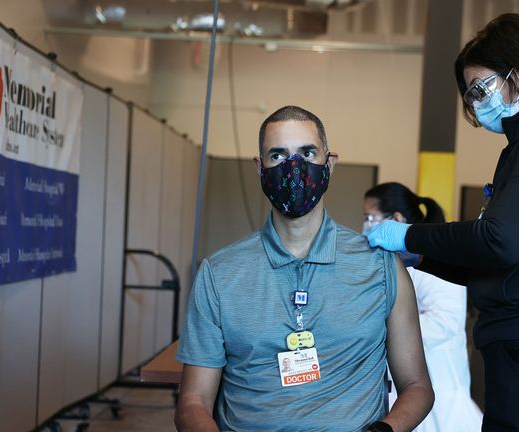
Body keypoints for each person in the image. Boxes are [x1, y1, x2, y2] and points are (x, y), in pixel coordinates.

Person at [366, 13, 519, 431]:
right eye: (470, 96)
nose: (476, 105)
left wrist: (407, 232)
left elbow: (501, 241)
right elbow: (495, 257)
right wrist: (419, 254)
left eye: (480, 88)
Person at [175, 105, 434, 432]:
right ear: (260, 167)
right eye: (278, 156)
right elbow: (193, 402)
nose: (294, 168)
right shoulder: (219, 273)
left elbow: (417, 387)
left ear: (330, 163)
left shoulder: (381, 266)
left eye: (308, 153)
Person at [363, 182, 483, 432]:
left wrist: (389, 328)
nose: (364, 225)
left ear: (396, 218)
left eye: (369, 217)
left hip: (442, 394)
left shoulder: (433, 262)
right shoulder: (395, 262)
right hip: (407, 394)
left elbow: (445, 322)